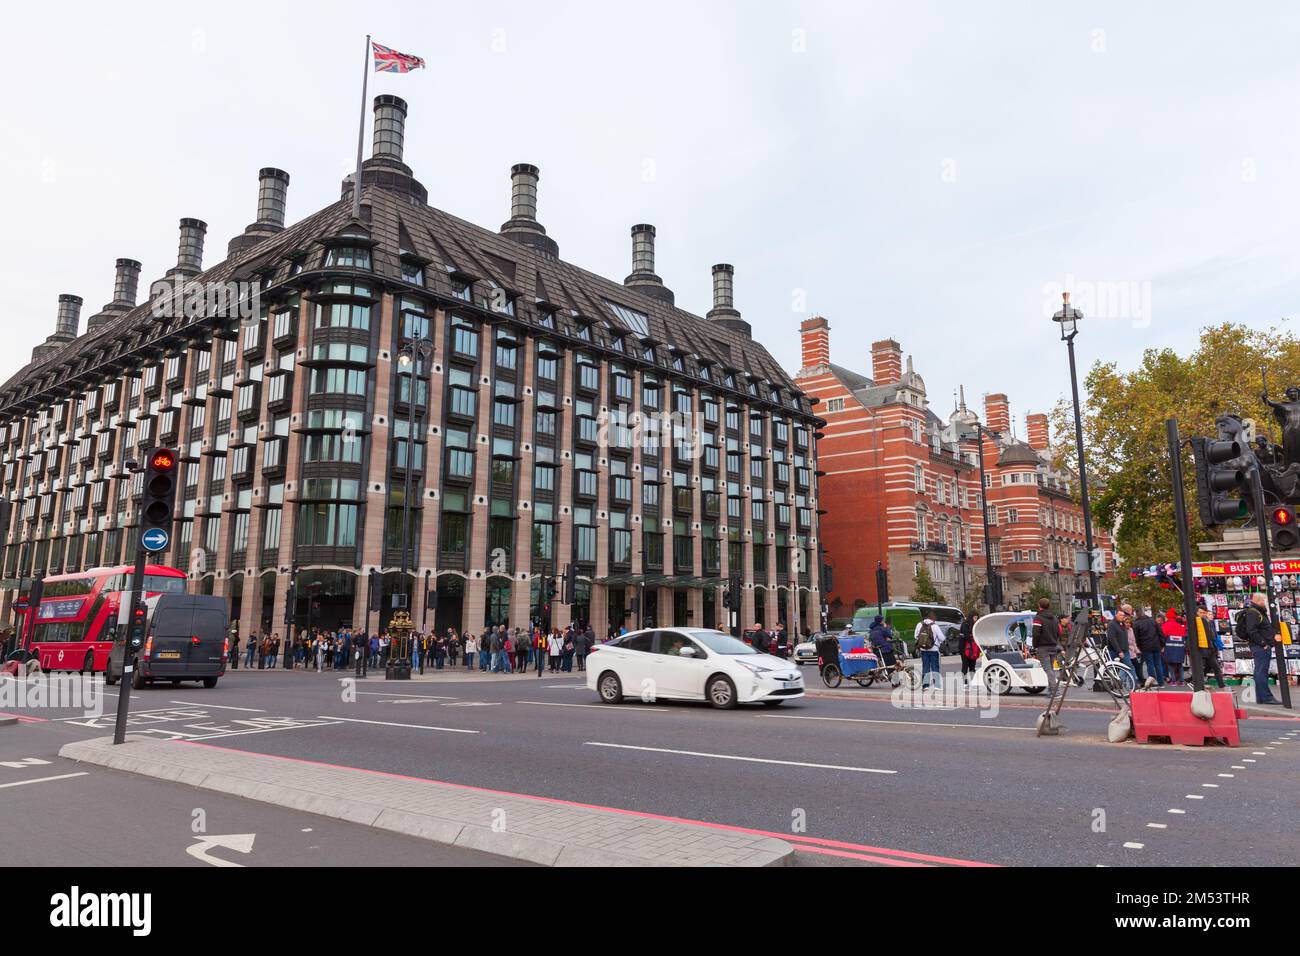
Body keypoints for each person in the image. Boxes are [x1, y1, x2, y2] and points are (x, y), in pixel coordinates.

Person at [1239, 593, 1280, 704]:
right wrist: (1263, 644)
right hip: (1260, 647)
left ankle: (1261, 697)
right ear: (1258, 601)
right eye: (1263, 600)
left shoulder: (1257, 612)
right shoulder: (1254, 612)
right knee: (1261, 672)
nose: (1265, 603)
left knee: (1259, 672)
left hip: (1260, 646)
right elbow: (1252, 631)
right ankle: (1266, 697)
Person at [1029, 599, 1061, 694]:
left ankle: (1055, 691)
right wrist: (1055, 641)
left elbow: (1036, 633)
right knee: (1050, 669)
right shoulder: (1054, 618)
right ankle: (1050, 690)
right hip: (1053, 646)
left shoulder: (1038, 618)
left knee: (1048, 670)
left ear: (1039, 606)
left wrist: (1035, 645)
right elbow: (1058, 631)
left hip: (1043, 647)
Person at [1191, 601, 1226, 689]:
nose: (1202, 614)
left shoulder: (1208, 622)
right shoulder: (1196, 622)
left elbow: (1212, 636)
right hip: (1201, 650)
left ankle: (1222, 686)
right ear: (1197, 613)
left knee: (1214, 668)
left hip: (1210, 649)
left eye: (1204, 613)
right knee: (1203, 669)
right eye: (1201, 612)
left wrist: (1214, 648)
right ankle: (1196, 684)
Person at [1133, 609, 1165, 686]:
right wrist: (1162, 644)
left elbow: (1136, 638)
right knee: (1158, 664)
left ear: (1137, 615)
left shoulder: (1136, 623)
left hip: (1145, 646)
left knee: (1150, 664)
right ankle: (1161, 682)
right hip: (1156, 645)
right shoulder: (1153, 621)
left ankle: (1153, 680)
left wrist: (1139, 647)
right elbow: (1160, 633)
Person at [915, 613, 943, 688]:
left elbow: (915, 636)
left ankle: (925, 685)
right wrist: (938, 642)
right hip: (934, 649)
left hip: (923, 649)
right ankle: (936, 685)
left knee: (925, 666)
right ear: (933, 618)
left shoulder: (919, 624)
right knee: (935, 666)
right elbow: (942, 637)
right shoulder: (935, 626)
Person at [1161, 608, 1187, 686]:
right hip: (1180, 648)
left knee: (1170, 664)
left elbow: (1162, 636)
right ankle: (1182, 681)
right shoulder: (1179, 626)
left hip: (1169, 648)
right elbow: (1184, 633)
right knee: (1179, 664)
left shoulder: (1165, 625)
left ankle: (1173, 681)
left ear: (1168, 617)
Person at [958, 611, 981, 684]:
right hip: (965, 648)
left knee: (972, 666)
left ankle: (972, 681)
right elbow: (966, 635)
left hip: (973, 648)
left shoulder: (975, 624)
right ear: (971, 617)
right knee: (965, 665)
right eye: (975, 618)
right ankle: (965, 682)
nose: (976, 619)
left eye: (977, 618)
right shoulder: (965, 624)